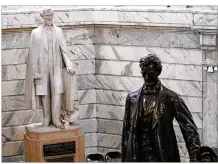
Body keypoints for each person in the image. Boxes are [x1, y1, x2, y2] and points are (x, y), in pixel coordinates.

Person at [121, 54, 201, 162]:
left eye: (150, 73)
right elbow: (126, 133)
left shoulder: (171, 98)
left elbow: (189, 130)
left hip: (162, 156)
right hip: (137, 156)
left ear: (159, 71)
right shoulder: (131, 98)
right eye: (144, 73)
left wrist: (195, 159)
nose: (147, 77)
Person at [25, 8, 77, 129]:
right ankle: (46, 118)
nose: (49, 17)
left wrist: (69, 65)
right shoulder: (35, 32)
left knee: (57, 93)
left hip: (56, 67)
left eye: (51, 15)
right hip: (42, 69)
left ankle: (56, 120)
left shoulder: (58, 31)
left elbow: (64, 51)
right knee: (44, 94)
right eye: (47, 15)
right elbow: (32, 54)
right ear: (42, 16)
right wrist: (35, 70)